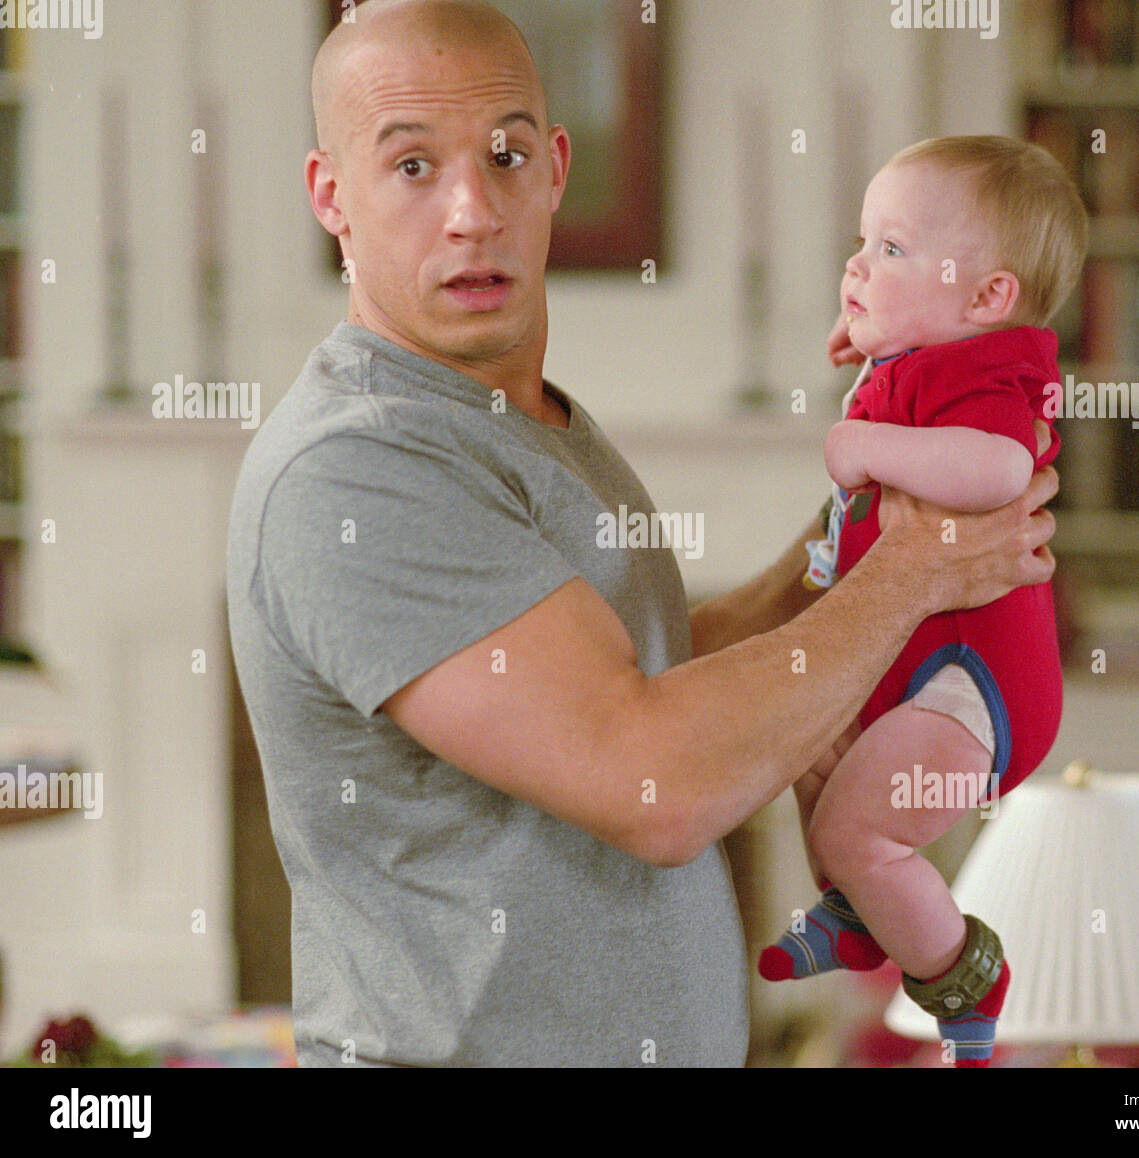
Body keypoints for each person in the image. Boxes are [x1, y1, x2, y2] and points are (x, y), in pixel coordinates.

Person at [225, 1, 1060, 1067]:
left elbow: (635, 683)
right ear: (329, 197)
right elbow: (648, 780)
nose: (473, 209)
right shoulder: (357, 466)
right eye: (412, 167)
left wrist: (877, 520)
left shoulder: (527, 419)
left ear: (557, 168)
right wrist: (910, 575)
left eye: (507, 153)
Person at [758, 136, 1088, 1067]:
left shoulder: (992, 374)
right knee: (812, 756)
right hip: (917, 669)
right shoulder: (922, 365)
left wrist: (862, 444)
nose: (858, 266)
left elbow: (1000, 466)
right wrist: (872, 351)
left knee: (861, 825)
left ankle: (961, 969)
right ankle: (861, 919)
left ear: (987, 300)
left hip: (973, 691)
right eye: (862, 244)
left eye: (892, 250)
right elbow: (908, 395)